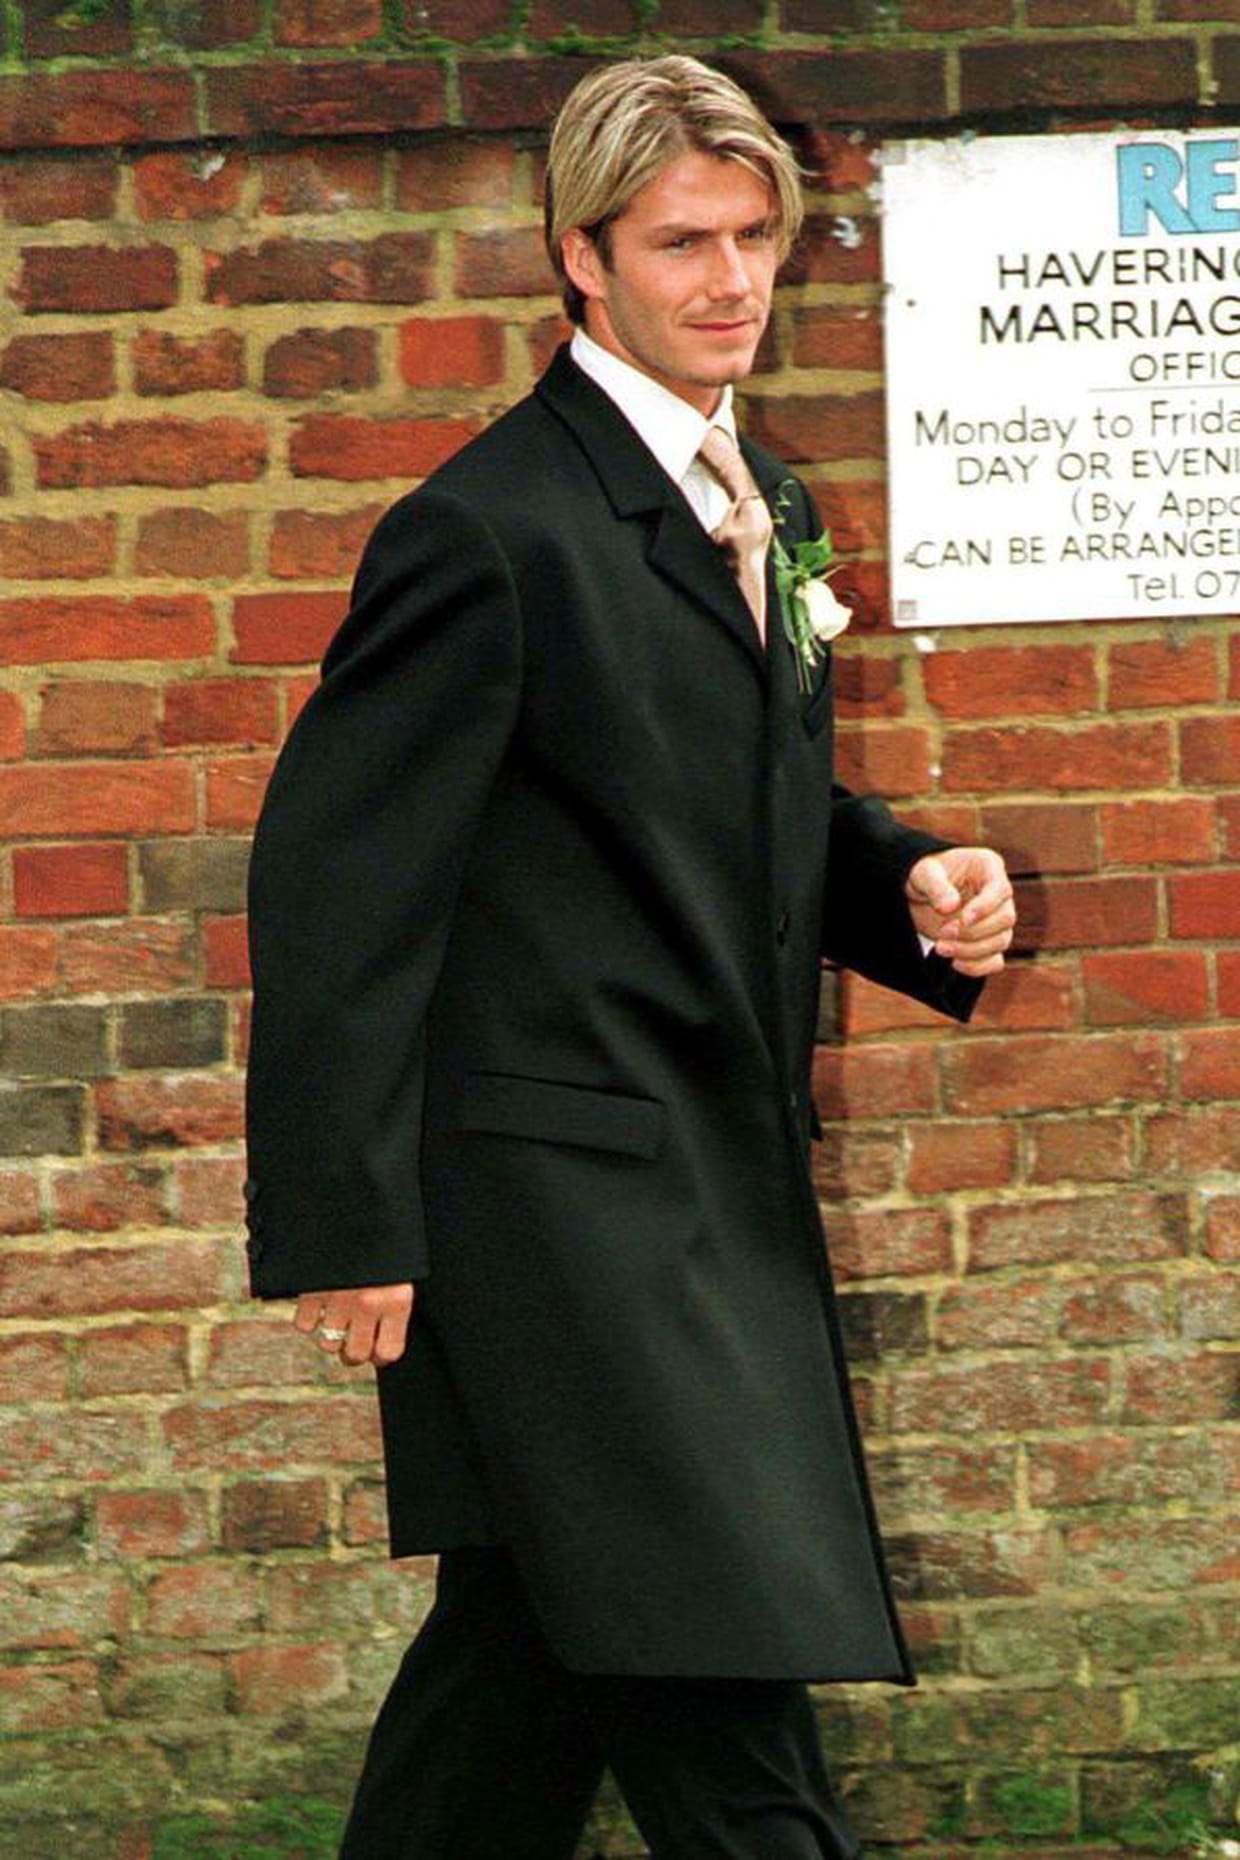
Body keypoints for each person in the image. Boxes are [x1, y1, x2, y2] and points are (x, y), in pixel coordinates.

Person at [243, 53, 1015, 1860]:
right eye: (683, 242)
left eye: (755, 236)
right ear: (581, 258)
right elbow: (338, 892)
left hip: (695, 1181)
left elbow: (719, 807)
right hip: (557, 1214)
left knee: (522, 1669)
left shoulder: (766, 503)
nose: (732, 281)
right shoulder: (487, 532)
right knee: (712, 1656)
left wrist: (905, 877)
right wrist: (346, 1223)